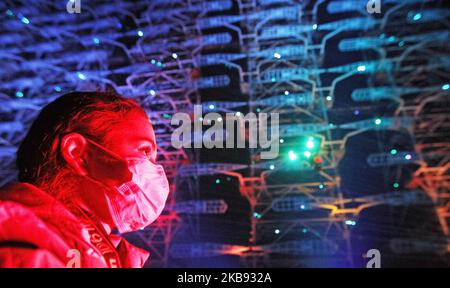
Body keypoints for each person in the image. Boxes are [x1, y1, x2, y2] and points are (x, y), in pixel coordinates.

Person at [0, 91, 169, 268]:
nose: (156, 172)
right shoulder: (21, 246)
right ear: (78, 154)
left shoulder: (104, 256)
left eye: (154, 160)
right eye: (144, 151)